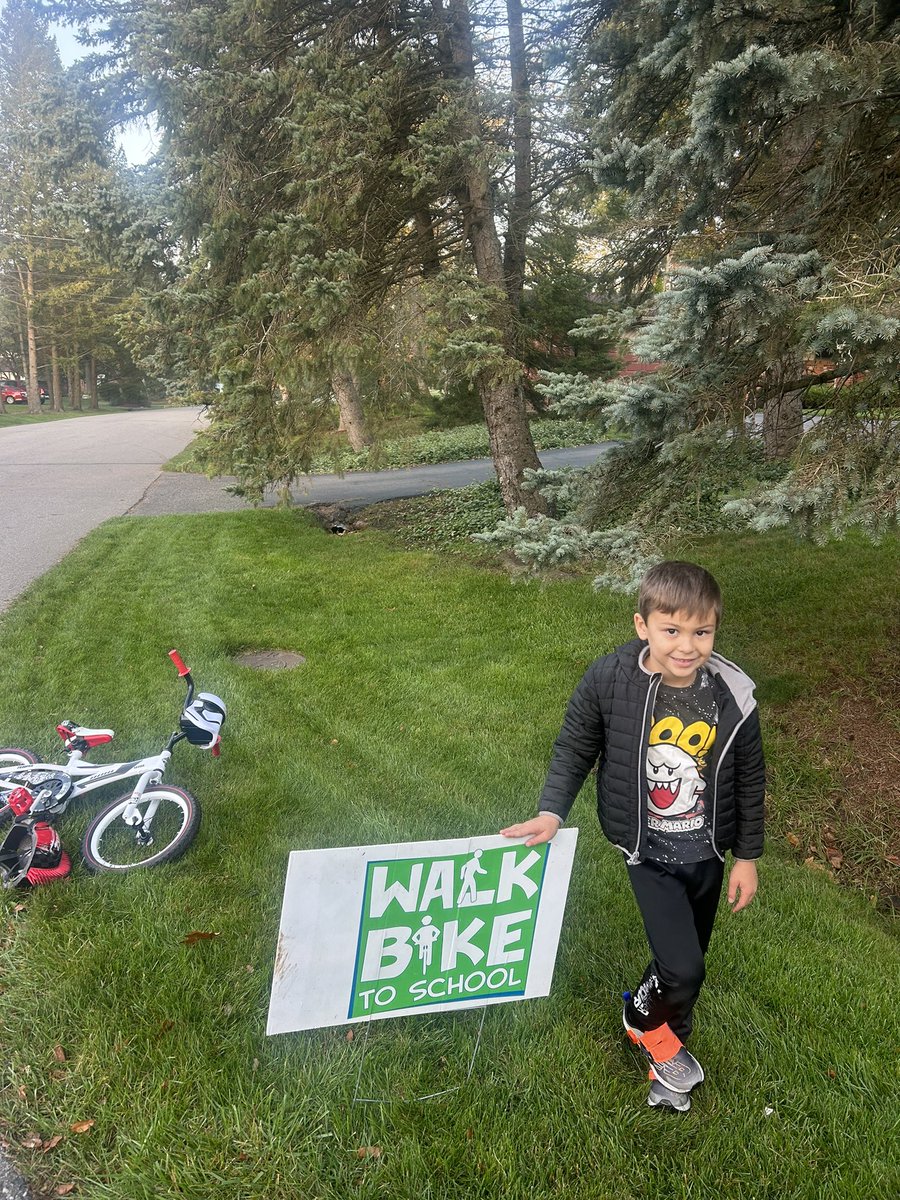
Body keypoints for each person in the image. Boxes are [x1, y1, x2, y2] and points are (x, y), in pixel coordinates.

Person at [501, 560, 765, 1113]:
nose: (687, 646)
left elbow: (749, 779)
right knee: (683, 966)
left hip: (708, 851)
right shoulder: (609, 680)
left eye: (702, 632)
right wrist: (552, 811)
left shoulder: (731, 695)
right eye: (672, 630)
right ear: (642, 625)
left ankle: (668, 1059)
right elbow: (575, 746)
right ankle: (641, 1017)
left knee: (688, 960)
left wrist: (747, 857)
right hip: (647, 852)